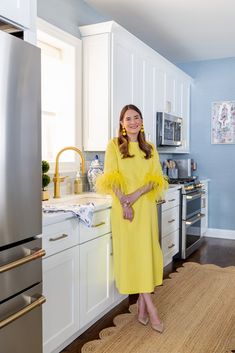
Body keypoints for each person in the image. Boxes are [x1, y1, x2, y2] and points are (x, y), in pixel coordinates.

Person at [96, 104, 168, 332]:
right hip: (124, 211)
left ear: (142, 121)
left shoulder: (150, 148)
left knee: (146, 255)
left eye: (136, 118)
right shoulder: (114, 145)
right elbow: (111, 179)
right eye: (128, 119)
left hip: (144, 208)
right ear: (122, 123)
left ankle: (142, 306)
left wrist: (135, 196)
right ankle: (151, 309)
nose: (133, 122)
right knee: (134, 256)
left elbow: (155, 179)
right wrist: (125, 203)